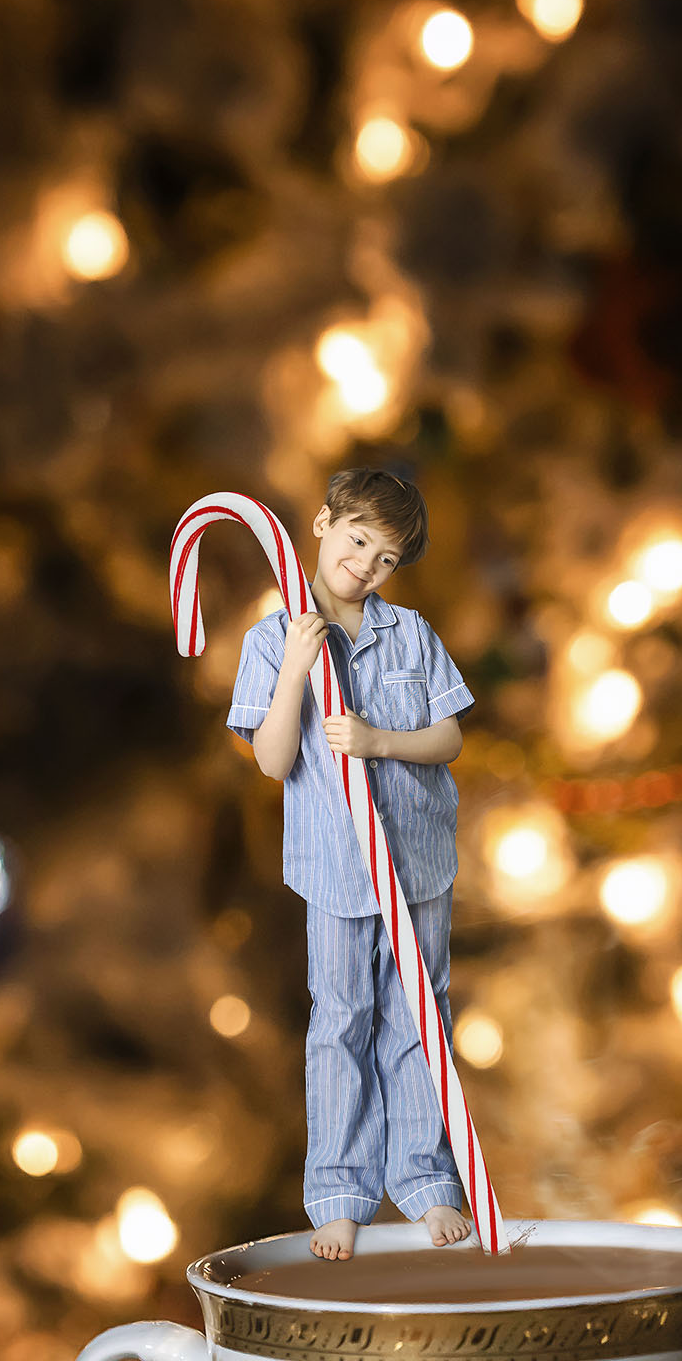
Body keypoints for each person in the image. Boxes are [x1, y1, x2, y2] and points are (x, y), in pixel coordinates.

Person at [227, 468, 471, 1260]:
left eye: (386, 557)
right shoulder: (272, 639)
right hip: (334, 869)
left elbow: (448, 739)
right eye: (357, 540)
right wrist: (299, 668)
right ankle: (339, 1193)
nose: (364, 565)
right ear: (323, 526)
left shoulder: (412, 635)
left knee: (419, 1019)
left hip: (418, 863)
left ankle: (428, 1182)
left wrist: (379, 742)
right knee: (342, 1023)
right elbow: (271, 759)